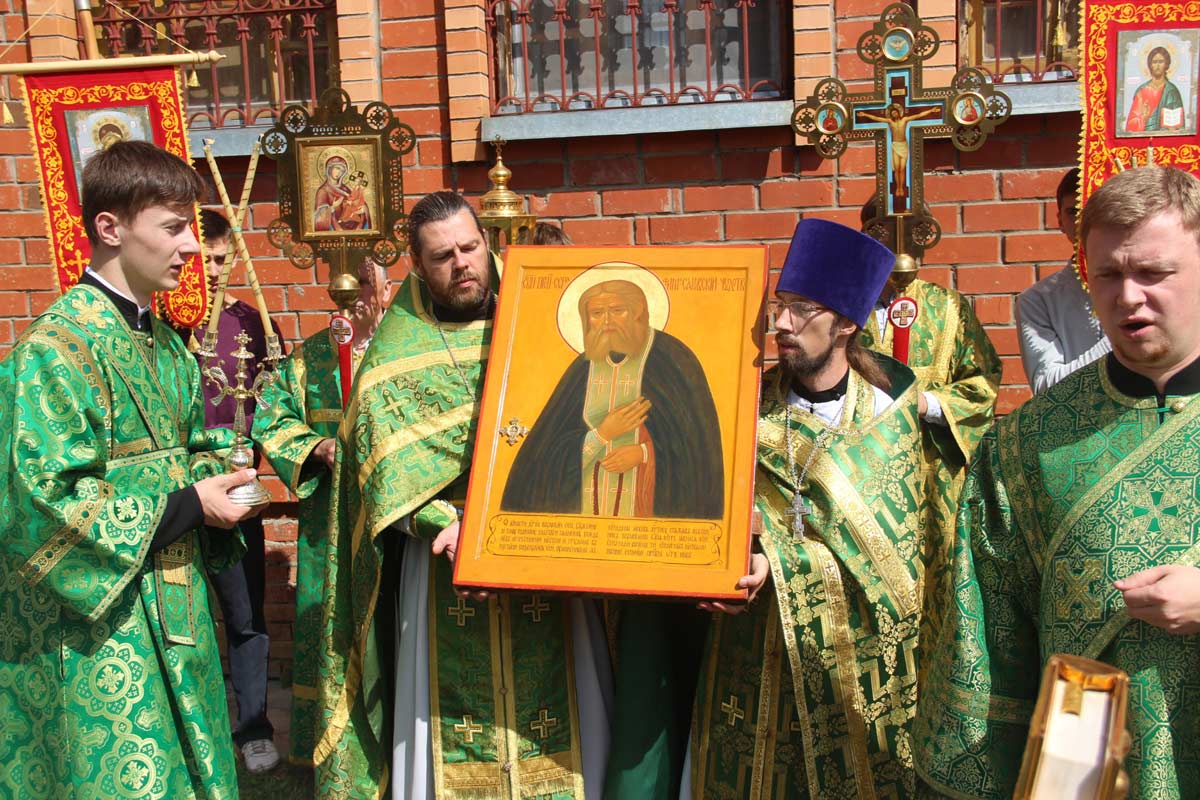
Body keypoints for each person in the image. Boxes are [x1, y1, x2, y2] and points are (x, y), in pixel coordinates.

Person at [310, 190, 611, 799]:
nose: (462, 264)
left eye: (470, 247)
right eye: (442, 256)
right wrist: (438, 522)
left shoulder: (540, 323)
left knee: (567, 700)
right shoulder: (395, 353)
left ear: (487, 243)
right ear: (418, 266)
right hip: (442, 557)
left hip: (544, 548)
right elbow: (377, 470)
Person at [914, 165, 1200, 799]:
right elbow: (989, 638)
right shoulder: (1027, 442)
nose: (1128, 297)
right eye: (1107, 275)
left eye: (1153, 272)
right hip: (1082, 754)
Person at [0, 140, 265, 798]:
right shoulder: (53, 350)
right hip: (99, 633)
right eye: (173, 228)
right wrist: (191, 504)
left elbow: (188, 448)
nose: (193, 247)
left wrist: (226, 473)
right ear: (110, 228)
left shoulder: (166, 344)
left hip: (175, 606)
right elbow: (41, 503)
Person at [687, 219, 936, 798]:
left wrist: (780, 563)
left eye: (801, 309)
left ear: (846, 323)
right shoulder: (743, 408)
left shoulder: (889, 418)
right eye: (779, 306)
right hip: (753, 647)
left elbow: (901, 574)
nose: (780, 324)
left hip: (855, 671)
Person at [251, 256, 391, 767]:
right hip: (327, 521)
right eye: (349, 284)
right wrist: (316, 447)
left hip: (392, 517)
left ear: (386, 288)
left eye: (369, 283)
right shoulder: (310, 357)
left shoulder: (403, 350)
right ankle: (327, 748)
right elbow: (272, 416)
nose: (358, 296)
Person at [859, 196, 1001, 641]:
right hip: (863, 471)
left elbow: (983, 383)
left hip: (933, 473)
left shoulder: (949, 307)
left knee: (937, 588)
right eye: (884, 232)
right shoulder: (847, 304)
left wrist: (929, 404)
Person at [502, 277, 723, 518]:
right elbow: (545, 457)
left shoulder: (671, 359)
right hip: (584, 518)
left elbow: (696, 450)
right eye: (597, 313)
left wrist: (644, 453)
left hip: (646, 521)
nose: (607, 321)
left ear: (637, 312)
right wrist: (601, 435)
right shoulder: (581, 369)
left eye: (617, 310)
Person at [193, 207, 285, 774]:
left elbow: (276, 403)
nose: (211, 272)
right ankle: (194, 729)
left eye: (222, 261)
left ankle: (253, 728)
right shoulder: (161, 326)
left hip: (238, 488)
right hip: (178, 492)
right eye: (203, 260)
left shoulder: (254, 322)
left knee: (245, 613)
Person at [1016, 167, 1111, 392]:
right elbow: (1047, 388)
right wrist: (1119, 339)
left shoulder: (1156, 288)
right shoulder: (1037, 301)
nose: (1083, 222)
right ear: (1060, 221)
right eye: (1073, 212)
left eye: (1093, 210)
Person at [857, 103, 942, 199]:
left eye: (895, 112)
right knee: (897, 169)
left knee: (902, 169)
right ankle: (898, 188)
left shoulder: (904, 120)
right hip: (895, 146)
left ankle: (902, 187)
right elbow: (877, 118)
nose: (894, 114)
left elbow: (918, 115)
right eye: (892, 113)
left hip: (903, 145)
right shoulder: (890, 122)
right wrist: (865, 114)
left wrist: (931, 111)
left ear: (898, 113)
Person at [1125, 45, 1185, 133]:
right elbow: (1131, 125)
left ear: (1166, 64)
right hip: (1144, 137)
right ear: (1150, 65)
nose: (1157, 65)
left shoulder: (1172, 91)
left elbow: (1179, 123)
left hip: (1166, 137)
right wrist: (1143, 117)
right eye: (1154, 62)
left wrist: (1173, 128)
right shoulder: (1142, 91)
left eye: (1161, 61)